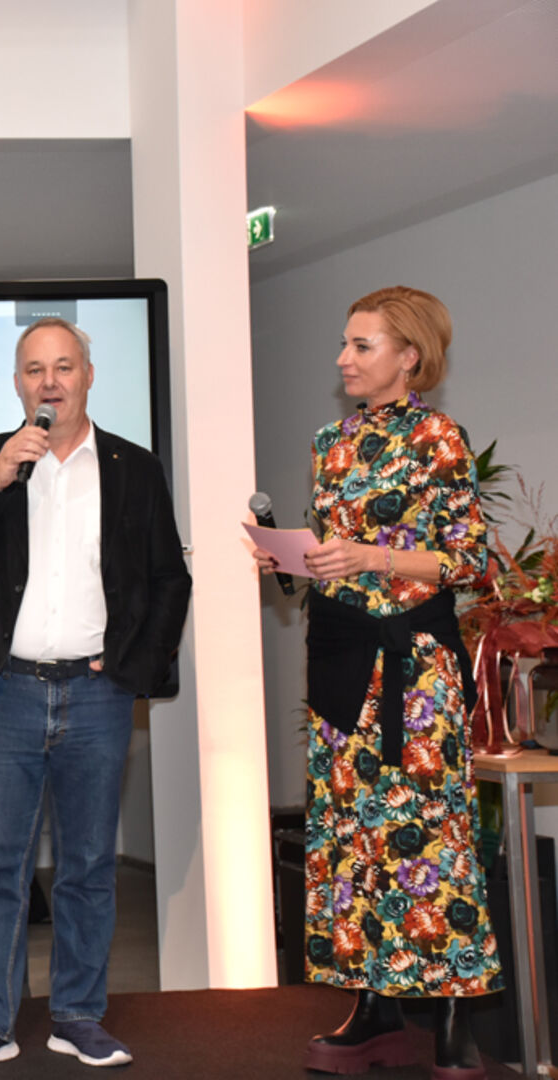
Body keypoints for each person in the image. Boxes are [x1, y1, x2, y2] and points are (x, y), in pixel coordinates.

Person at [0, 318, 191, 1073]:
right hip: (3, 693)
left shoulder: (134, 467)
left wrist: (134, 667)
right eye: (34, 369)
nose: (49, 382)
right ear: (17, 384)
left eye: (63, 366)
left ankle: (77, 1016)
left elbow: (169, 579)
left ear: (87, 376)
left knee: (88, 867)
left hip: (97, 696)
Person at [252, 287, 499, 1079]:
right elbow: (335, 556)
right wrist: (291, 560)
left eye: (361, 346)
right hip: (339, 664)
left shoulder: (437, 438)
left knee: (431, 838)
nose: (343, 359)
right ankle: (374, 1011)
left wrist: (370, 556)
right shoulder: (330, 442)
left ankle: (455, 1019)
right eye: (344, 343)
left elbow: (468, 560)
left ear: (409, 356)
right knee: (350, 839)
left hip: (414, 672)